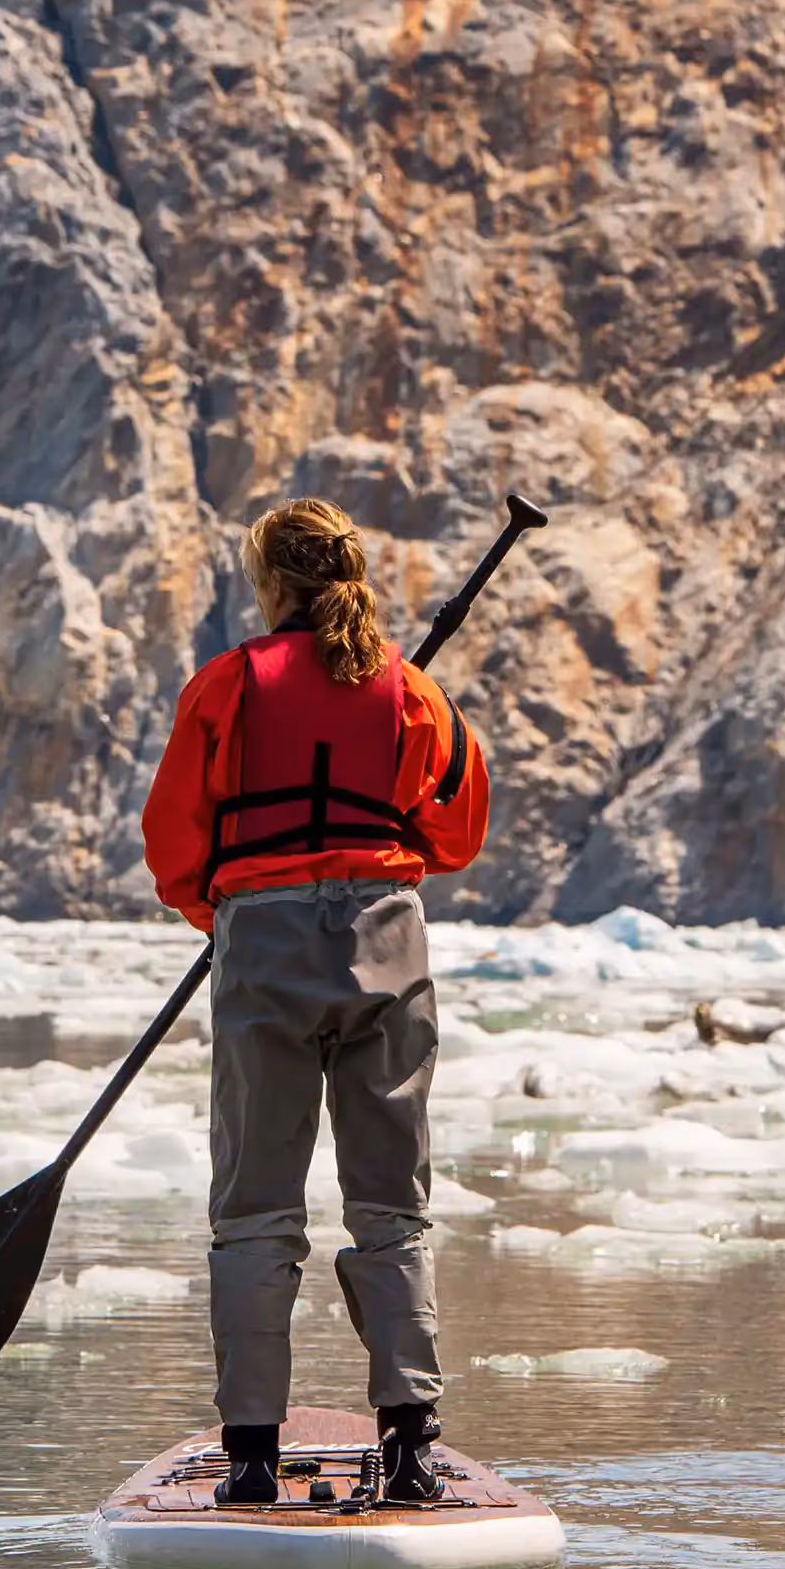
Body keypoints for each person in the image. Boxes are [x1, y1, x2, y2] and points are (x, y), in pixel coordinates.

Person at [139, 497, 489, 1510]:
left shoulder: (226, 685)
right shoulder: (411, 690)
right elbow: (457, 829)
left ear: (271, 584)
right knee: (392, 1206)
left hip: (264, 943)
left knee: (254, 1207)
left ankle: (251, 1455)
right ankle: (411, 1447)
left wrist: (229, 913)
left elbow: (173, 842)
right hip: (387, 942)